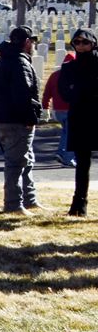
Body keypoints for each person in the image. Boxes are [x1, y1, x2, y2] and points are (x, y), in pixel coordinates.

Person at [0, 27, 41, 212]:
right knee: (16, 163)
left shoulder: (5, 60)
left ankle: (30, 199)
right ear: (27, 42)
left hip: (5, 118)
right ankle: (13, 204)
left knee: (26, 159)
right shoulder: (19, 62)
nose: (33, 45)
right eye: (32, 41)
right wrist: (30, 118)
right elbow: (23, 94)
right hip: (17, 120)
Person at [59, 29, 98, 216]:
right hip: (81, 117)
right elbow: (64, 92)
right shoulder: (69, 67)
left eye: (85, 42)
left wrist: (81, 91)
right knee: (82, 163)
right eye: (77, 42)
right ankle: (79, 204)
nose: (81, 46)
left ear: (93, 43)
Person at [42, 56, 76, 167]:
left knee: (66, 132)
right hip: (71, 109)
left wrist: (45, 107)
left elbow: (47, 92)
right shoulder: (75, 76)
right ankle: (67, 158)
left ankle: (61, 152)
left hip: (57, 110)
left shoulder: (55, 75)